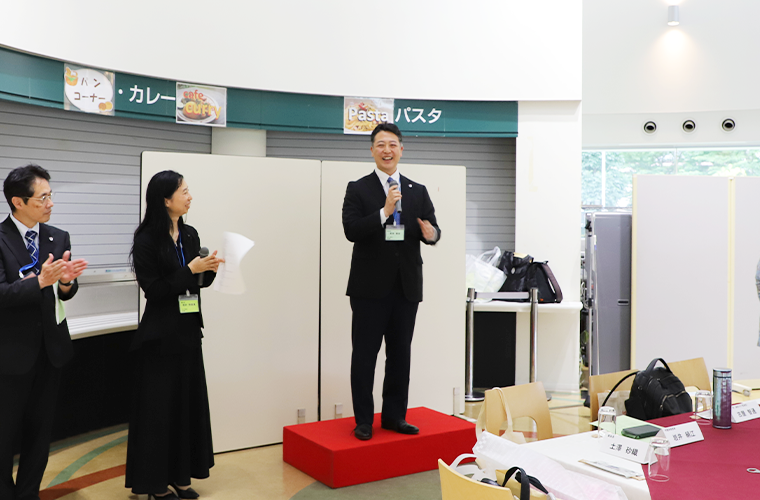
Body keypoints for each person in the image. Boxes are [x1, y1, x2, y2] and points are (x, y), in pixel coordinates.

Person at [125, 171, 223, 500]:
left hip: (188, 332)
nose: (190, 196)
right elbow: (154, 290)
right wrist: (190, 270)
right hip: (159, 338)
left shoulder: (190, 234)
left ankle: (181, 478)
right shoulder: (146, 239)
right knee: (159, 414)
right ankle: (154, 484)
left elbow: (195, 284)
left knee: (186, 408)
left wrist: (208, 271)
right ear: (166, 200)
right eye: (184, 191)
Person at [342, 123, 441, 441]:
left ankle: (395, 417)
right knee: (365, 355)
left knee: (400, 355)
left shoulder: (417, 190)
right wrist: (383, 212)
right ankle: (363, 421)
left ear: (401, 149)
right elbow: (351, 230)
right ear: (372, 150)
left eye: (393, 144)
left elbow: (433, 228)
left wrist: (432, 234)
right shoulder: (358, 189)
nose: (387, 150)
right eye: (381, 144)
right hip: (369, 289)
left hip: (406, 287)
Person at [0, 164, 88, 500]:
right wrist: (39, 282)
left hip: (50, 351)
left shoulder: (58, 236)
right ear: (18, 202)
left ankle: (28, 494)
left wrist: (66, 283)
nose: (50, 203)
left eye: (51, 196)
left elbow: (64, 293)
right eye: (43, 198)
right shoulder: (1, 238)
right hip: (10, 354)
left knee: (40, 433)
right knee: (4, 433)